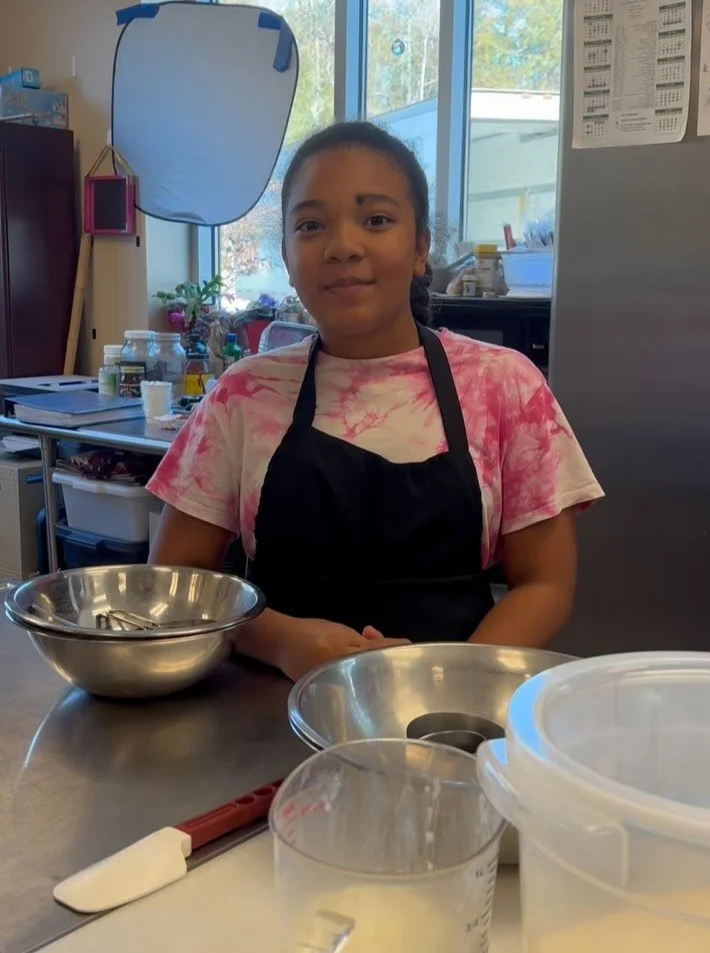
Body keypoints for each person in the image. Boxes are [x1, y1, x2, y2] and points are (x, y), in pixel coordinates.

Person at [148, 121, 603, 681]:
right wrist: (280, 640)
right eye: (311, 225)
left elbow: (546, 584)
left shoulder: (504, 385)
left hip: (454, 715)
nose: (343, 246)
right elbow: (177, 576)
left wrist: (446, 676)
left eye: (376, 220)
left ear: (419, 249)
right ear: (289, 260)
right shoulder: (243, 394)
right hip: (263, 713)